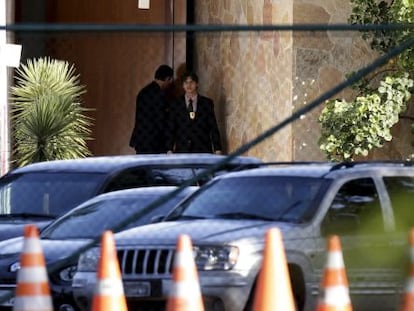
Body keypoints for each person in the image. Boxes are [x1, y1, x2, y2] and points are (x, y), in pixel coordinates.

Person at [166, 71, 222, 154]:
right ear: (182, 85)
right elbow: (171, 128)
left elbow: (213, 127)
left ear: (197, 84)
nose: (189, 85)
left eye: (191, 82)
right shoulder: (175, 104)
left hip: (203, 148)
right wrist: (169, 149)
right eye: (186, 82)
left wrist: (217, 149)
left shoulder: (207, 103)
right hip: (182, 150)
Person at [129, 64, 174, 154]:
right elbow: (160, 121)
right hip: (154, 142)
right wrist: (168, 145)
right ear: (168, 79)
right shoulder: (160, 95)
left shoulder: (143, 92)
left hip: (141, 140)